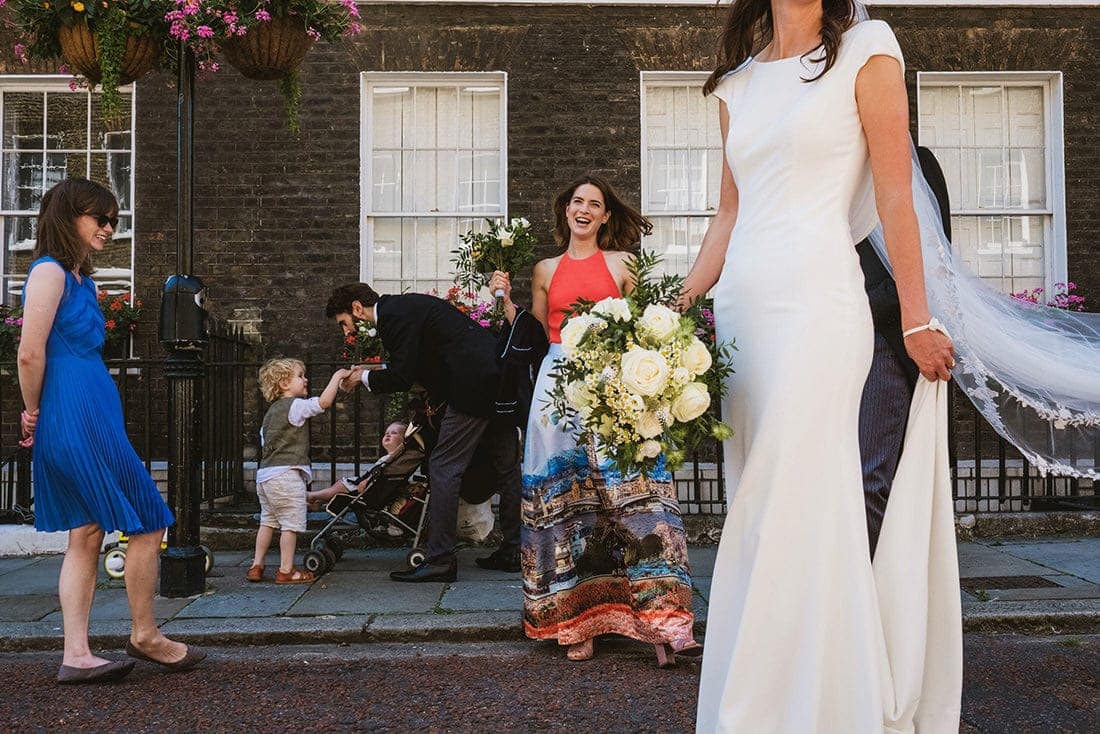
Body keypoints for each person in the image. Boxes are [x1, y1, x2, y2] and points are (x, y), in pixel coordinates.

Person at [679, 2, 961, 731]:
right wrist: (669, 306)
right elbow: (728, 215)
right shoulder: (735, 85)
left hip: (819, 303)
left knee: (802, 492)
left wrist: (916, 315)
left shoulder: (869, 48)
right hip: (746, 311)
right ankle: (767, 697)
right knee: (759, 502)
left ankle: (821, 703)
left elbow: (897, 192)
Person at [490, 174, 701, 668]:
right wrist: (504, 302)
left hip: (615, 379)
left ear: (606, 216)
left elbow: (646, 325)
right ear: (566, 211)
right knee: (567, 501)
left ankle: (661, 624)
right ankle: (574, 623)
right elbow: (539, 334)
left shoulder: (625, 263)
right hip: (558, 384)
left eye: (595, 204)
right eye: (577, 202)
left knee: (635, 497)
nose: (584, 209)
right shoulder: (545, 268)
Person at [17, 178, 204, 683]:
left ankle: (77, 656)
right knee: (148, 518)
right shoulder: (49, 272)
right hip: (72, 414)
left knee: (88, 531)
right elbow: (30, 352)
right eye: (98, 218)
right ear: (66, 218)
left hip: (91, 411)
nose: (108, 228)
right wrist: (31, 410)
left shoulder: (81, 281)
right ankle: (145, 635)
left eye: (112, 221)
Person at [326, 284, 522, 581]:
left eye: (343, 323)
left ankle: (441, 560)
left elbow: (403, 376)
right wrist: (367, 371)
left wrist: (362, 378)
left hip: (472, 387)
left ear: (356, 308)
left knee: (442, 466)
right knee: (508, 468)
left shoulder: (392, 318)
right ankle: (514, 551)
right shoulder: (403, 309)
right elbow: (418, 365)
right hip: (498, 379)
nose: (345, 331)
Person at [857, 145, 952, 558]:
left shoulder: (920, 164)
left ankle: (868, 593)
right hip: (818, 337)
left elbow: (933, 263)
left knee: (869, 477)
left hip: (884, 339)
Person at [248, 358, 348, 584]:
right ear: (284, 384)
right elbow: (323, 402)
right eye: (301, 376)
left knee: (267, 522)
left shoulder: (270, 414)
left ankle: (256, 565)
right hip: (286, 475)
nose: (306, 379)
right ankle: (286, 571)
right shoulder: (294, 406)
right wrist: (337, 376)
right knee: (290, 526)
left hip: (265, 476)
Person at [306, 421, 421, 509]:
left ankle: (313, 496)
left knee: (341, 486)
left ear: (403, 440)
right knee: (339, 486)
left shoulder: (395, 460)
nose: (388, 435)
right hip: (369, 486)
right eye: (386, 433)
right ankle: (318, 502)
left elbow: (382, 475)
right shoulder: (390, 458)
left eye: (394, 433)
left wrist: (367, 480)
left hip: (369, 490)